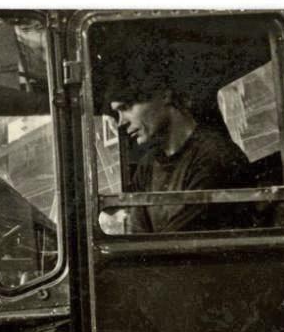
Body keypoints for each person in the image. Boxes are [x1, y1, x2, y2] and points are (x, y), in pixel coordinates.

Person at [103, 65, 252, 234]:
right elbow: (137, 232)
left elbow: (178, 240)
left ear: (164, 95)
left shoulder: (215, 155)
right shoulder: (148, 165)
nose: (121, 122)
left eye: (126, 108)